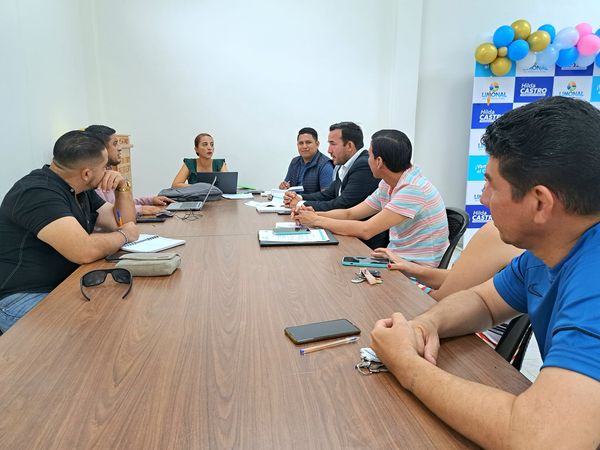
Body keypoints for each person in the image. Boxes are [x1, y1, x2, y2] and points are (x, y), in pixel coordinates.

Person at [370, 96, 600, 448]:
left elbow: (541, 438)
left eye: (491, 184)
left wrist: (407, 365)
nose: (482, 198)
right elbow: (483, 301)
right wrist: (425, 324)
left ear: (540, 203)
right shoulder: (548, 249)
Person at [0, 130, 140, 332]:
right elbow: (85, 250)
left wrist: (122, 187)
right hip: (20, 297)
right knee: (95, 331)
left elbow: (123, 221)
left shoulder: (80, 188)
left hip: (63, 285)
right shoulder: (37, 192)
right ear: (86, 173)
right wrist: (124, 235)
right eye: (104, 167)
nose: (108, 171)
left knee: (118, 314)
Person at [295, 129, 448, 267]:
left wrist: (316, 220)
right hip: (394, 260)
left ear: (379, 162)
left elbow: (366, 229)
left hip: (415, 272)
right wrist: (313, 214)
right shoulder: (388, 184)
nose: (367, 160)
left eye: (369, 155)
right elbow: (350, 213)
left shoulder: (413, 189)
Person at [284, 122, 387, 249]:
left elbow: (344, 204)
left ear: (349, 146)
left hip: (364, 243)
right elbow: (328, 194)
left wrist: (302, 206)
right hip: (346, 232)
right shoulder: (343, 165)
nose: (328, 150)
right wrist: (299, 198)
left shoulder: (363, 164)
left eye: (332, 144)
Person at [372, 221, 523, 300]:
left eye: (491, 184)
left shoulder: (496, 232)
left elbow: (442, 300)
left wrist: (397, 290)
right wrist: (411, 269)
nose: (483, 198)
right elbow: (458, 279)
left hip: (474, 341)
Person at [85, 125, 174, 215]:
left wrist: (149, 200)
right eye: (115, 144)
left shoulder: (108, 171)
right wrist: (141, 209)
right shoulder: (95, 178)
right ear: (101, 148)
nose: (120, 148)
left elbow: (119, 203)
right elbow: (112, 211)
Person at [278, 127, 334, 194]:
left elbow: (326, 196)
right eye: (301, 143)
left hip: (308, 201)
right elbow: (287, 185)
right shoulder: (294, 162)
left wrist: (301, 198)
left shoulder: (325, 165)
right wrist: (284, 187)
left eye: (308, 142)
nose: (304, 146)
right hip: (292, 200)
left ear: (317, 144)